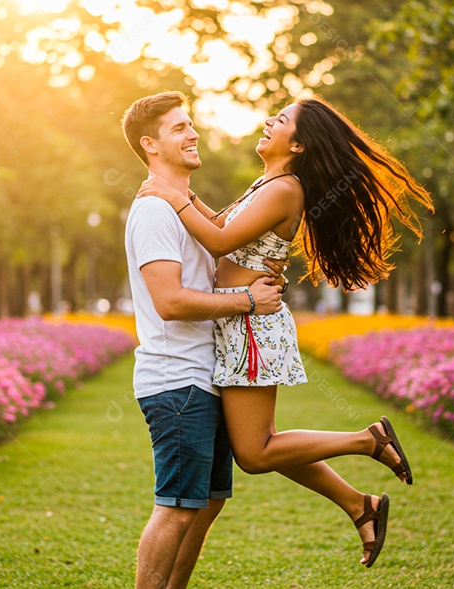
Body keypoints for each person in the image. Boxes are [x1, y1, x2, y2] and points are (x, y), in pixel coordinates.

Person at [138, 96, 434, 567]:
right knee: (259, 446)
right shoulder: (265, 184)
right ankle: (360, 505)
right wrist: (179, 194)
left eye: (279, 120)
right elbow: (218, 226)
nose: (267, 122)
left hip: (252, 327)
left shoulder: (285, 189)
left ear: (297, 145)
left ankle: (367, 441)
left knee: (256, 453)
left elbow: (217, 241)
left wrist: (172, 196)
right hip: (239, 323)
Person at [121, 91, 285, 589]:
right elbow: (170, 301)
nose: (193, 134)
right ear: (150, 145)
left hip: (205, 375)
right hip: (177, 381)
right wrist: (248, 301)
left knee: (205, 505)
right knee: (175, 509)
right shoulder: (154, 212)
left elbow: (224, 243)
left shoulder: (181, 208)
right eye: (178, 128)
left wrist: (262, 272)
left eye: (190, 124)